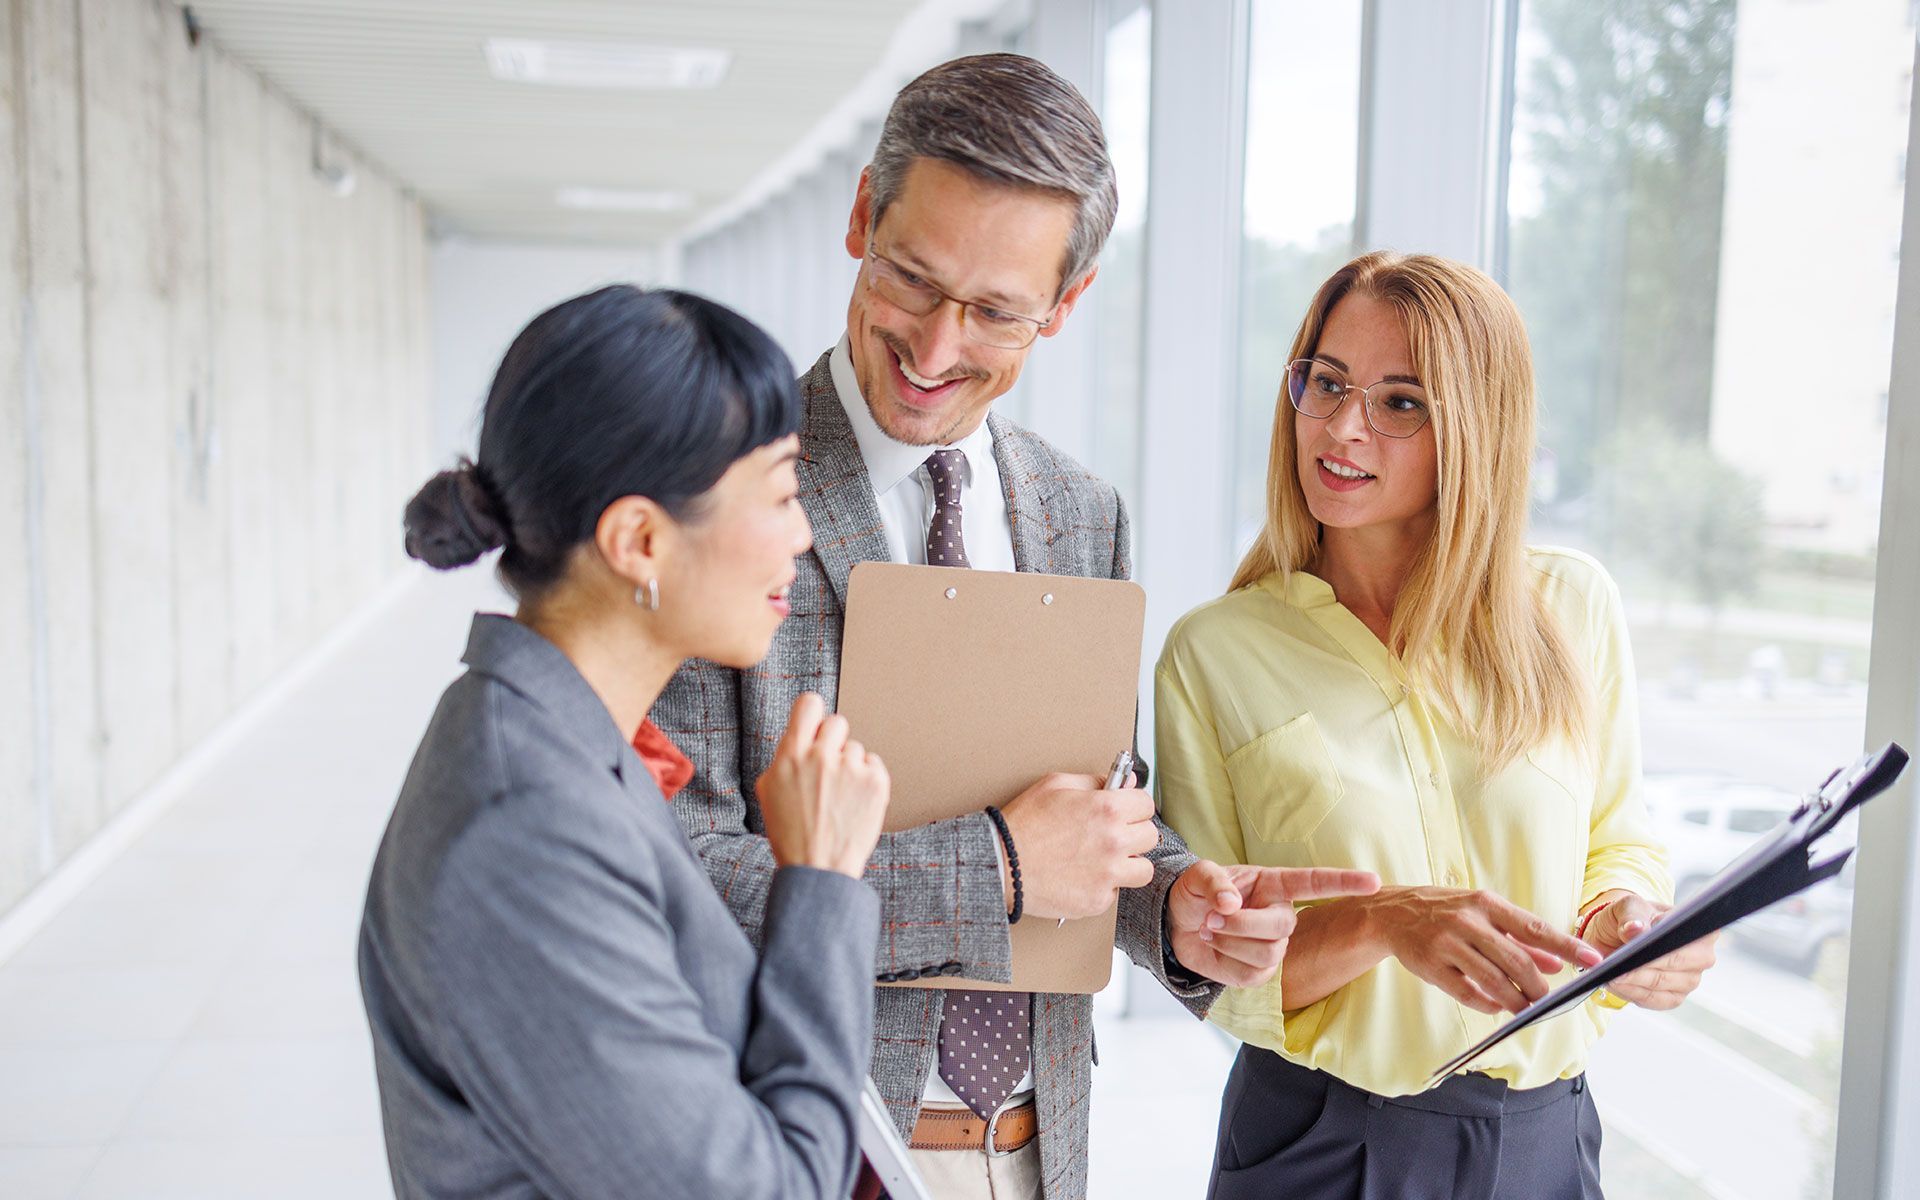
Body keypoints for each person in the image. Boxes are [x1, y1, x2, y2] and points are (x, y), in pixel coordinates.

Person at [653, 53, 1376, 1200]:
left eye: (995, 311)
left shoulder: (1080, 514)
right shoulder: (721, 485)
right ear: (860, 218)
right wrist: (993, 865)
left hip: (1034, 1150)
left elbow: (1088, 822)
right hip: (809, 1143)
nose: (936, 350)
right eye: (910, 280)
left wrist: (1170, 904)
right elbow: (676, 883)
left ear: (1068, 303)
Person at [1155, 251, 1721, 1200]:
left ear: (1477, 428)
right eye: (1326, 383)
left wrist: (1627, 920)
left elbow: (1618, 836)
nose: (1341, 427)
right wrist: (1383, 922)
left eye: (1401, 402)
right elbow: (1217, 971)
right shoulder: (1214, 653)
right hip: (1324, 1141)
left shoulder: (1572, 608)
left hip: (1548, 1136)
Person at [358, 286, 892, 1200]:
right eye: (781, 492)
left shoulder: (559, 740)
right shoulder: (524, 830)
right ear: (639, 540)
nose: (802, 537)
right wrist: (823, 884)